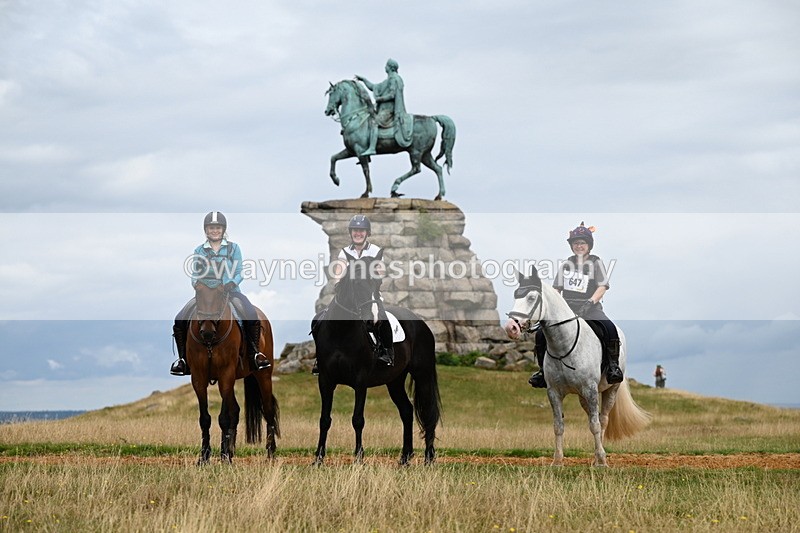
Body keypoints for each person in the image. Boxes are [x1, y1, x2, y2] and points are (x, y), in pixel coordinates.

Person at [170, 211, 271, 376]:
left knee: (251, 314)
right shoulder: (199, 250)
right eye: (211, 228)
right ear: (206, 230)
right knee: (180, 318)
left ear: (223, 229)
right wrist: (197, 284)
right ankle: (183, 360)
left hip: (230, 292)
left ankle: (255, 354)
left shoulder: (233, 248)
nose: (214, 231)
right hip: (205, 295)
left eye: (217, 227)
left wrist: (231, 283)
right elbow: (195, 273)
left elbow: (240, 271)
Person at [526, 222, 624, 388]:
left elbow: (602, 286)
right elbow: (556, 289)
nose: (579, 246)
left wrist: (590, 302)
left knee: (609, 328)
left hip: (590, 307)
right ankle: (543, 371)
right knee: (541, 334)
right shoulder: (566, 265)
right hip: (567, 309)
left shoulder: (596, 263)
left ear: (589, 246)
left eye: (582, 243)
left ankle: (613, 367)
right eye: (576, 243)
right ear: (572, 246)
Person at [312, 214, 394, 375]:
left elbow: (381, 269)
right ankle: (320, 358)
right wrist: (337, 281)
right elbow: (340, 267)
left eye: (362, 230)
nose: (358, 233)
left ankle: (387, 352)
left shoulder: (375, 250)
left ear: (367, 233)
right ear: (351, 232)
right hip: (349, 296)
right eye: (355, 230)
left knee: (382, 318)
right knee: (320, 319)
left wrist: (375, 273)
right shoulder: (345, 252)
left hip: (370, 295)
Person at [355, 58, 413, 156]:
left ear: (390, 67)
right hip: (384, 110)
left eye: (386, 65)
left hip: (389, 111)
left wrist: (380, 99)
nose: (384, 67)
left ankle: (372, 148)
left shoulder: (394, 79)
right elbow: (373, 87)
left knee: (374, 122)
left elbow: (392, 95)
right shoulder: (388, 80)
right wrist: (364, 80)